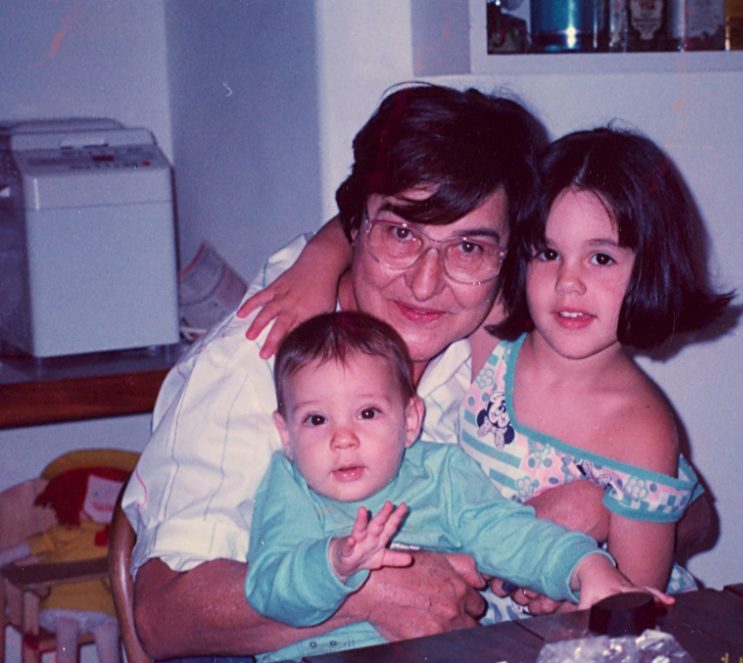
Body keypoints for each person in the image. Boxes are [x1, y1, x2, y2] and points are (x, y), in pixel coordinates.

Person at [121, 82, 554, 660]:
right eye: (401, 234)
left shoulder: (483, 333)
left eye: (468, 248)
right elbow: (161, 615)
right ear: (355, 229)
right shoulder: (254, 360)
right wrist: (362, 591)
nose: (426, 283)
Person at [245, 311, 671, 661]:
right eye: (316, 419)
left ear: (410, 420)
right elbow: (266, 590)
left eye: (368, 413)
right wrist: (333, 563)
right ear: (286, 433)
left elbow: (508, 533)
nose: (343, 439)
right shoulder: (289, 485)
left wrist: (585, 567)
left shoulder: (441, 473)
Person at [460, 127, 734, 616]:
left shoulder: (641, 428)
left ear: (650, 268)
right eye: (548, 253)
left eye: (601, 258)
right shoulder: (494, 335)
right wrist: (322, 254)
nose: (568, 281)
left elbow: (626, 610)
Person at [0, 466, 128, 663]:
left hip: (101, 605)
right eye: (97, 493)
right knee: (66, 635)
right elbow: (34, 544)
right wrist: (5, 557)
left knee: (109, 633)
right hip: (64, 604)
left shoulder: (115, 538)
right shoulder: (65, 532)